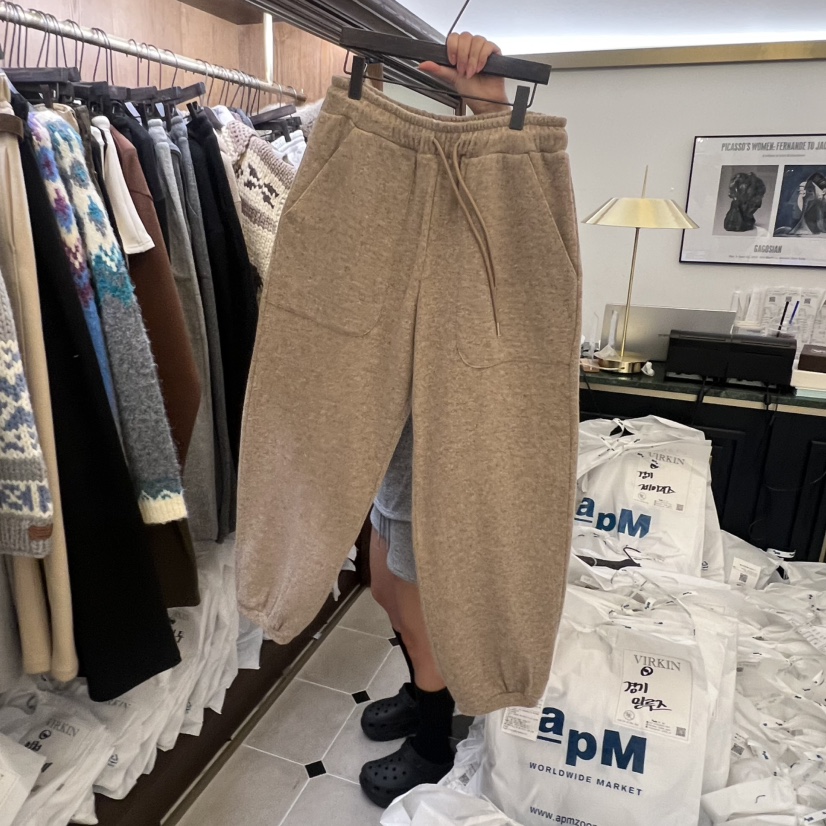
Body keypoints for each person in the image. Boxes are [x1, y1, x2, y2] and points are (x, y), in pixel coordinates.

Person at [357, 32, 511, 809]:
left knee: (420, 602)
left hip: (440, 434)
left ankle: (433, 736)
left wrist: (484, 106)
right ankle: (422, 690)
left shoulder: (491, 199)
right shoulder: (401, 198)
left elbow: (506, 199)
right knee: (384, 584)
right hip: (391, 428)